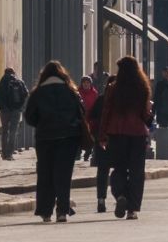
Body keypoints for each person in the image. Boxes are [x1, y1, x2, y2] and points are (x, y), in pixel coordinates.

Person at [22, 61, 84, 222]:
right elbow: (81, 112)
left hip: (45, 138)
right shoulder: (70, 91)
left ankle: (45, 211)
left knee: (45, 174)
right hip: (68, 138)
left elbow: (29, 116)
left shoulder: (38, 93)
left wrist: (41, 123)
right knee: (63, 175)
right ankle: (62, 210)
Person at [101, 57, 153, 220]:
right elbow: (145, 114)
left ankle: (121, 195)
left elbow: (106, 112)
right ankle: (132, 209)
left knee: (119, 168)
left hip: (117, 133)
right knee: (137, 171)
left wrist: (102, 135)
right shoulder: (142, 88)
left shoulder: (113, 88)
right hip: (137, 134)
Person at [0, 67, 27, 161]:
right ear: (13, 73)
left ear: (4, 73)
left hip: (4, 111)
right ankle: (9, 154)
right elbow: (26, 94)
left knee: (5, 131)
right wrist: (21, 107)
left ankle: (4, 154)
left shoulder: (0, 84)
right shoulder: (20, 82)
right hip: (16, 111)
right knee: (13, 132)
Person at [87, 74, 112, 213]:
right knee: (121, 170)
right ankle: (121, 196)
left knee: (103, 170)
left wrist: (95, 132)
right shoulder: (123, 100)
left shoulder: (101, 99)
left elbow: (90, 116)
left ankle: (101, 199)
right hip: (119, 140)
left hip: (102, 139)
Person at [78, 76, 98, 162]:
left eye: (87, 83)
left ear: (90, 84)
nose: (86, 84)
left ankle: (88, 152)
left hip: (90, 118)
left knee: (90, 136)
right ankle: (78, 153)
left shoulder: (94, 93)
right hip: (81, 117)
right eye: (84, 83)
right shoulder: (78, 92)